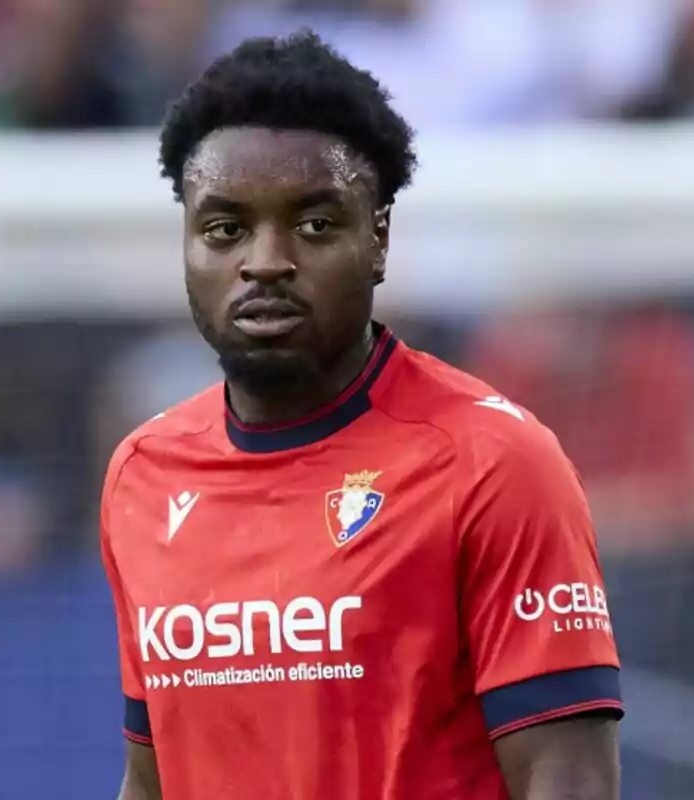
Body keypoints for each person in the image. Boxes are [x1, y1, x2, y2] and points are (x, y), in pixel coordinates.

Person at [99, 30, 623, 800]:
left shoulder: (493, 462)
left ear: (377, 240)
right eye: (224, 230)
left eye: (313, 225)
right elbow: (152, 778)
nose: (265, 261)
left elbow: (566, 778)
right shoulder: (142, 476)